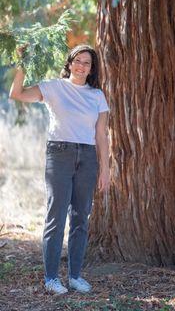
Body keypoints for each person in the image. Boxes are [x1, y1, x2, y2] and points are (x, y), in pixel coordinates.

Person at [9, 44, 110, 294]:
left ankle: (75, 276)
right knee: (56, 216)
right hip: (60, 154)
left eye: (87, 63)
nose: (81, 66)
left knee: (80, 217)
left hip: (87, 157)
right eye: (78, 60)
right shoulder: (54, 87)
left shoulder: (97, 95)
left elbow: (101, 134)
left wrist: (106, 168)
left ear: (91, 69)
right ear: (70, 62)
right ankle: (51, 278)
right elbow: (17, 94)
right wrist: (22, 64)